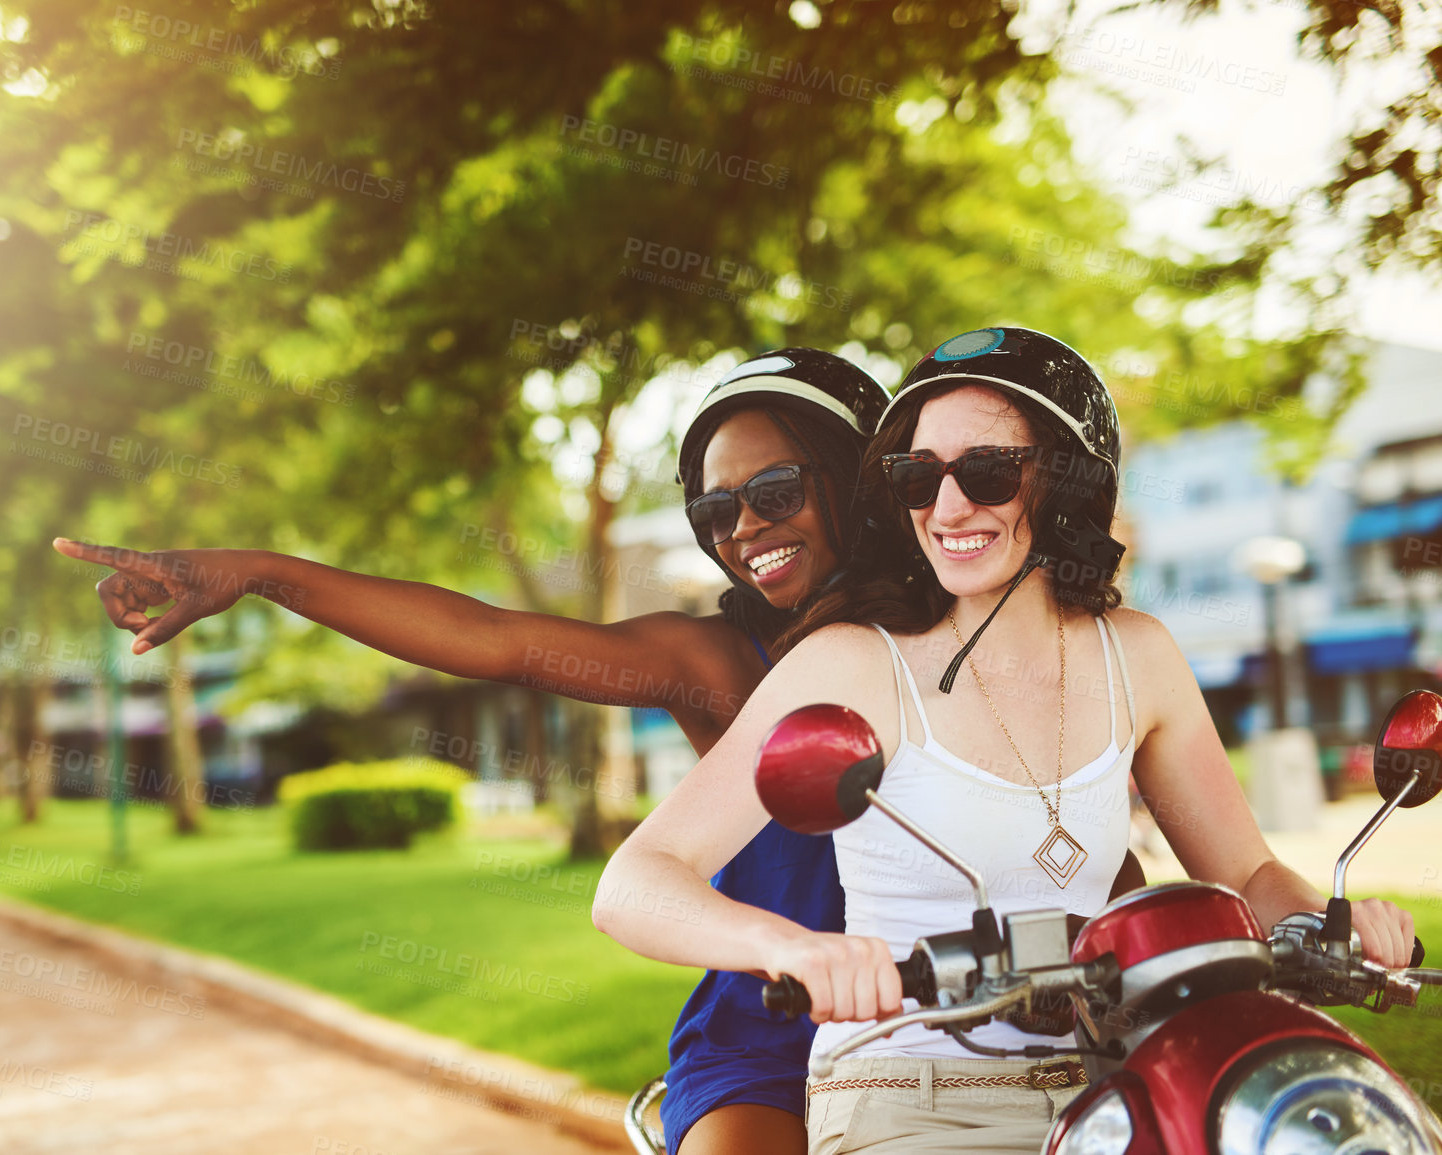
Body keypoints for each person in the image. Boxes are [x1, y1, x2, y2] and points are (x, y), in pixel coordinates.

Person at [591, 327, 1417, 1155]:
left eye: (985, 472)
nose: (947, 509)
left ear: (1065, 484)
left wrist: (1333, 919)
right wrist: (792, 949)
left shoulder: (1138, 655)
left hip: (1109, 1083)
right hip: (909, 1097)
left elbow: (1243, 871)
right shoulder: (852, 663)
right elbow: (633, 882)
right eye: (917, 478)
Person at [56, 348, 896, 1155]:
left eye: (775, 491)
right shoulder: (715, 663)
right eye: (716, 510)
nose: (744, 527)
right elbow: (496, 639)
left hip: (956, 1013)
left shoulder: (964, 647)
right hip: (769, 1033)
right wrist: (258, 573)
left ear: (861, 482)